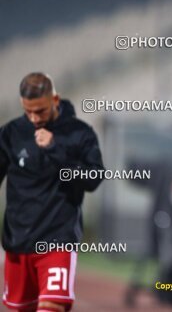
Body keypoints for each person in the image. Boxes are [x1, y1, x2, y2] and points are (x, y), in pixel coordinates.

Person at [0, 72, 104, 311]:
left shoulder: (80, 134)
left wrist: (55, 149)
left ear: (55, 100)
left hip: (58, 240)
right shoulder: (10, 134)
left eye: (41, 111)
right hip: (19, 241)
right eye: (29, 112)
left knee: (51, 307)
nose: (35, 118)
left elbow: (93, 178)